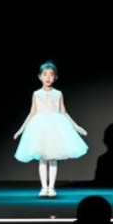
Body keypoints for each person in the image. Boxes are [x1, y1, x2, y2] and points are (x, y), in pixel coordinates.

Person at [14, 61, 88, 197]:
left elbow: (64, 112)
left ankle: (52, 187)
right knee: (42, 158)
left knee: (53, 158)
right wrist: (21, 129)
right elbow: (32, 113)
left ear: (55, 77)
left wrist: (76, 126)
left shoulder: (58, 94)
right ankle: (44, 187)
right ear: (40, 77)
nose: (48, 77)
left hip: (55, 127)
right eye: (45, 74)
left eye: (51, 74)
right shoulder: (36, 94)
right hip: (40, 128)